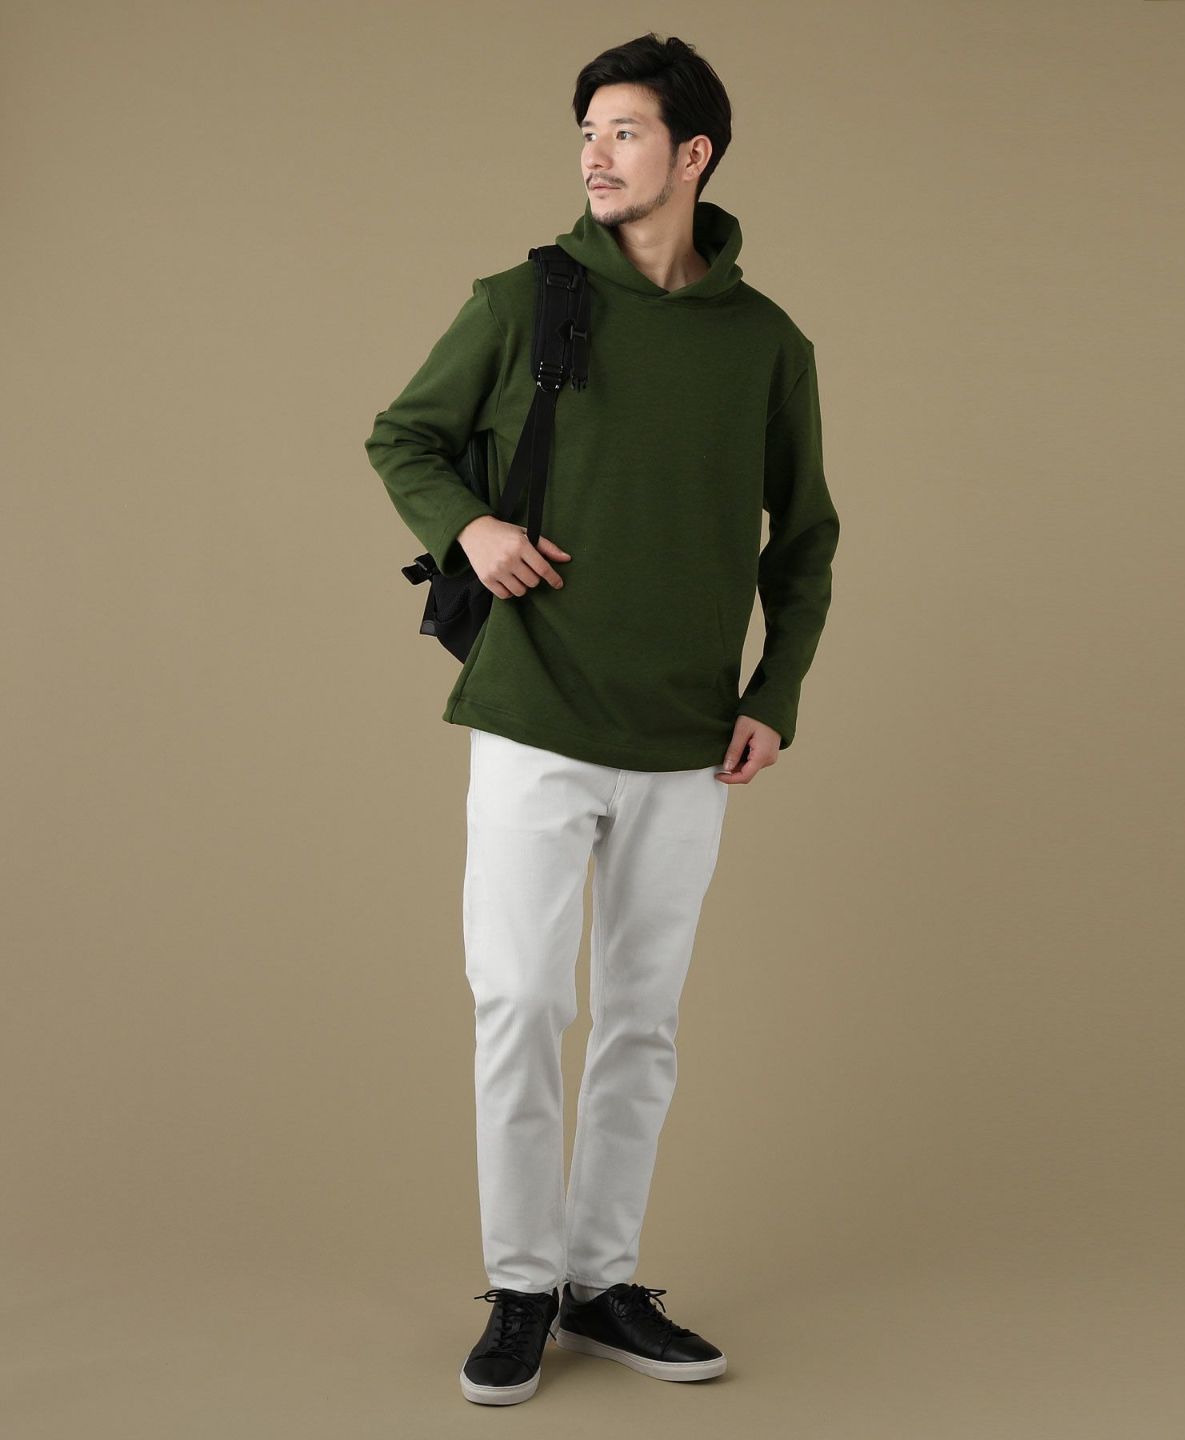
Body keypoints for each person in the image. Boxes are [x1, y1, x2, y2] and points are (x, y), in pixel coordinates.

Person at [363, 32, 840, 1406]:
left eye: (623, 130)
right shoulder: (525, 300)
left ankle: (599, 1280)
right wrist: (472, 529)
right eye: (586, 129)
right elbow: (404, 436)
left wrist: (774, 697)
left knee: (641, 1020)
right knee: (521, 1000)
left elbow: (806, 536)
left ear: (694, 154)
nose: (594, 153)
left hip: (688, 737)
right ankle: (522, 1285)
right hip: (533, 710)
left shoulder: (766, 343)